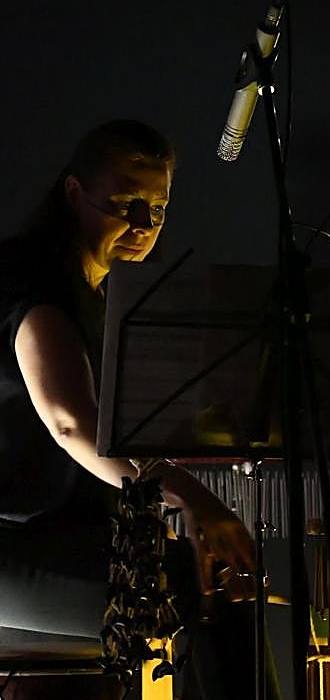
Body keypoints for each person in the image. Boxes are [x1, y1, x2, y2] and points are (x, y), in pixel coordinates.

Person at [0, 119, 280, 698]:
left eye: (157, 209)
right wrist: (193, 497)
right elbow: (70, 422)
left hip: (72, 539)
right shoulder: (35, 285)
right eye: (127, 204)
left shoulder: (101, 297)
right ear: (74, 193)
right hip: (13, 547)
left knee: (207, 582)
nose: (144, 226)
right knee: (197, 588)